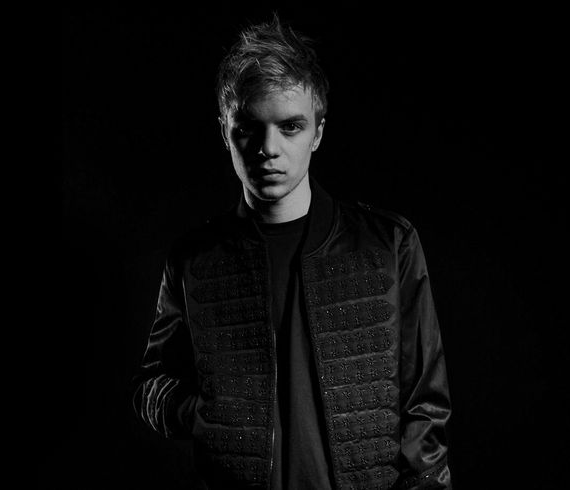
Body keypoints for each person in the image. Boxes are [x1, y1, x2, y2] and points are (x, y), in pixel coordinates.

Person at [132, 15, 452, 490]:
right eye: (248, 128)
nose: (269, 148)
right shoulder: (195, 259)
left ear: (317, 132)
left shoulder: (388, 244)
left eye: (290, 127)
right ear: (224, 131)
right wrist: (202, 415)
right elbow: (151, 383)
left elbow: (425, 404)